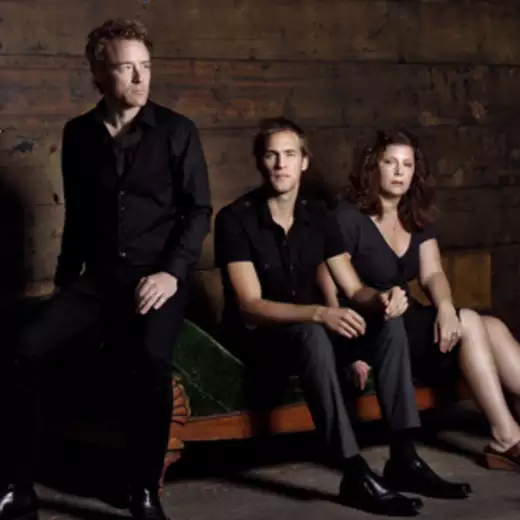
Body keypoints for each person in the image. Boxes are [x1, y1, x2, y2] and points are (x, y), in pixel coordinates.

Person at [0, 19, 212, 520]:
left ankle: (143, 490)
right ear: (99, 73)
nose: (140, 78)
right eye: (126, 68)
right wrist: (65, 285)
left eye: (146, 66)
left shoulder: (178, 131)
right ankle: (18, 485)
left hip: (157, 278)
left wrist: (171, 273)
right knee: (23, 350)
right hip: (96, 281)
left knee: (151, 362)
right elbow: (77, 215)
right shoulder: (78, 134)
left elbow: (198, 210)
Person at [214, 117, 470, 517]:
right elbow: (251, 304)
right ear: (259, 162)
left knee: (389, 324)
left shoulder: (318, 215)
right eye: (271, 155)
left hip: (316, 328)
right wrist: (320, 313)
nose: (280, 164)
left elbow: (352, 289)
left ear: (303, 162)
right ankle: (353, 471)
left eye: (289, 154)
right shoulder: (236, 219)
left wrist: (381, 299)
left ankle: (404, 456)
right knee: (312, 334)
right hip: (263, 337)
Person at [321, 128, 520, 474]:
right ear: (373, 167)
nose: (399, 172)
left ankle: (508, 436)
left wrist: (445, 307)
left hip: (408, 317)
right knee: (472, 321)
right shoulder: (348, 216)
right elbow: (327, 279)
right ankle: (506, 437)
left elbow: (432, 274)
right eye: (390, 162)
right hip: (371, 322)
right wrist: (348, 346)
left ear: (416, 171)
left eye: (408, 164)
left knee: (492, 326)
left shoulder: (414, 215)